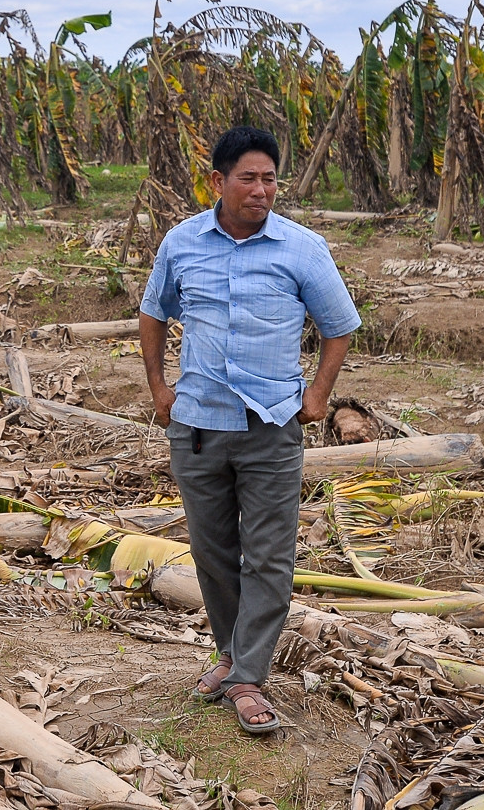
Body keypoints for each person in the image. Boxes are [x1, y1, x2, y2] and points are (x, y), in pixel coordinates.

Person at [138, 126, 360, 735]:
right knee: (213, 554)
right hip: (199, 426)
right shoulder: (182, 243)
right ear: (218, 181)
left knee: (268, 556)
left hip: (271, 427)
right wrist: (160, 388)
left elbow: (339, 325)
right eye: (248, 178)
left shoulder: (302, 248)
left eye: (269, 179)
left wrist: (318, 394)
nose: (261, 190)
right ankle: (233, 656)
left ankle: (247, 677)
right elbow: (153, 313)